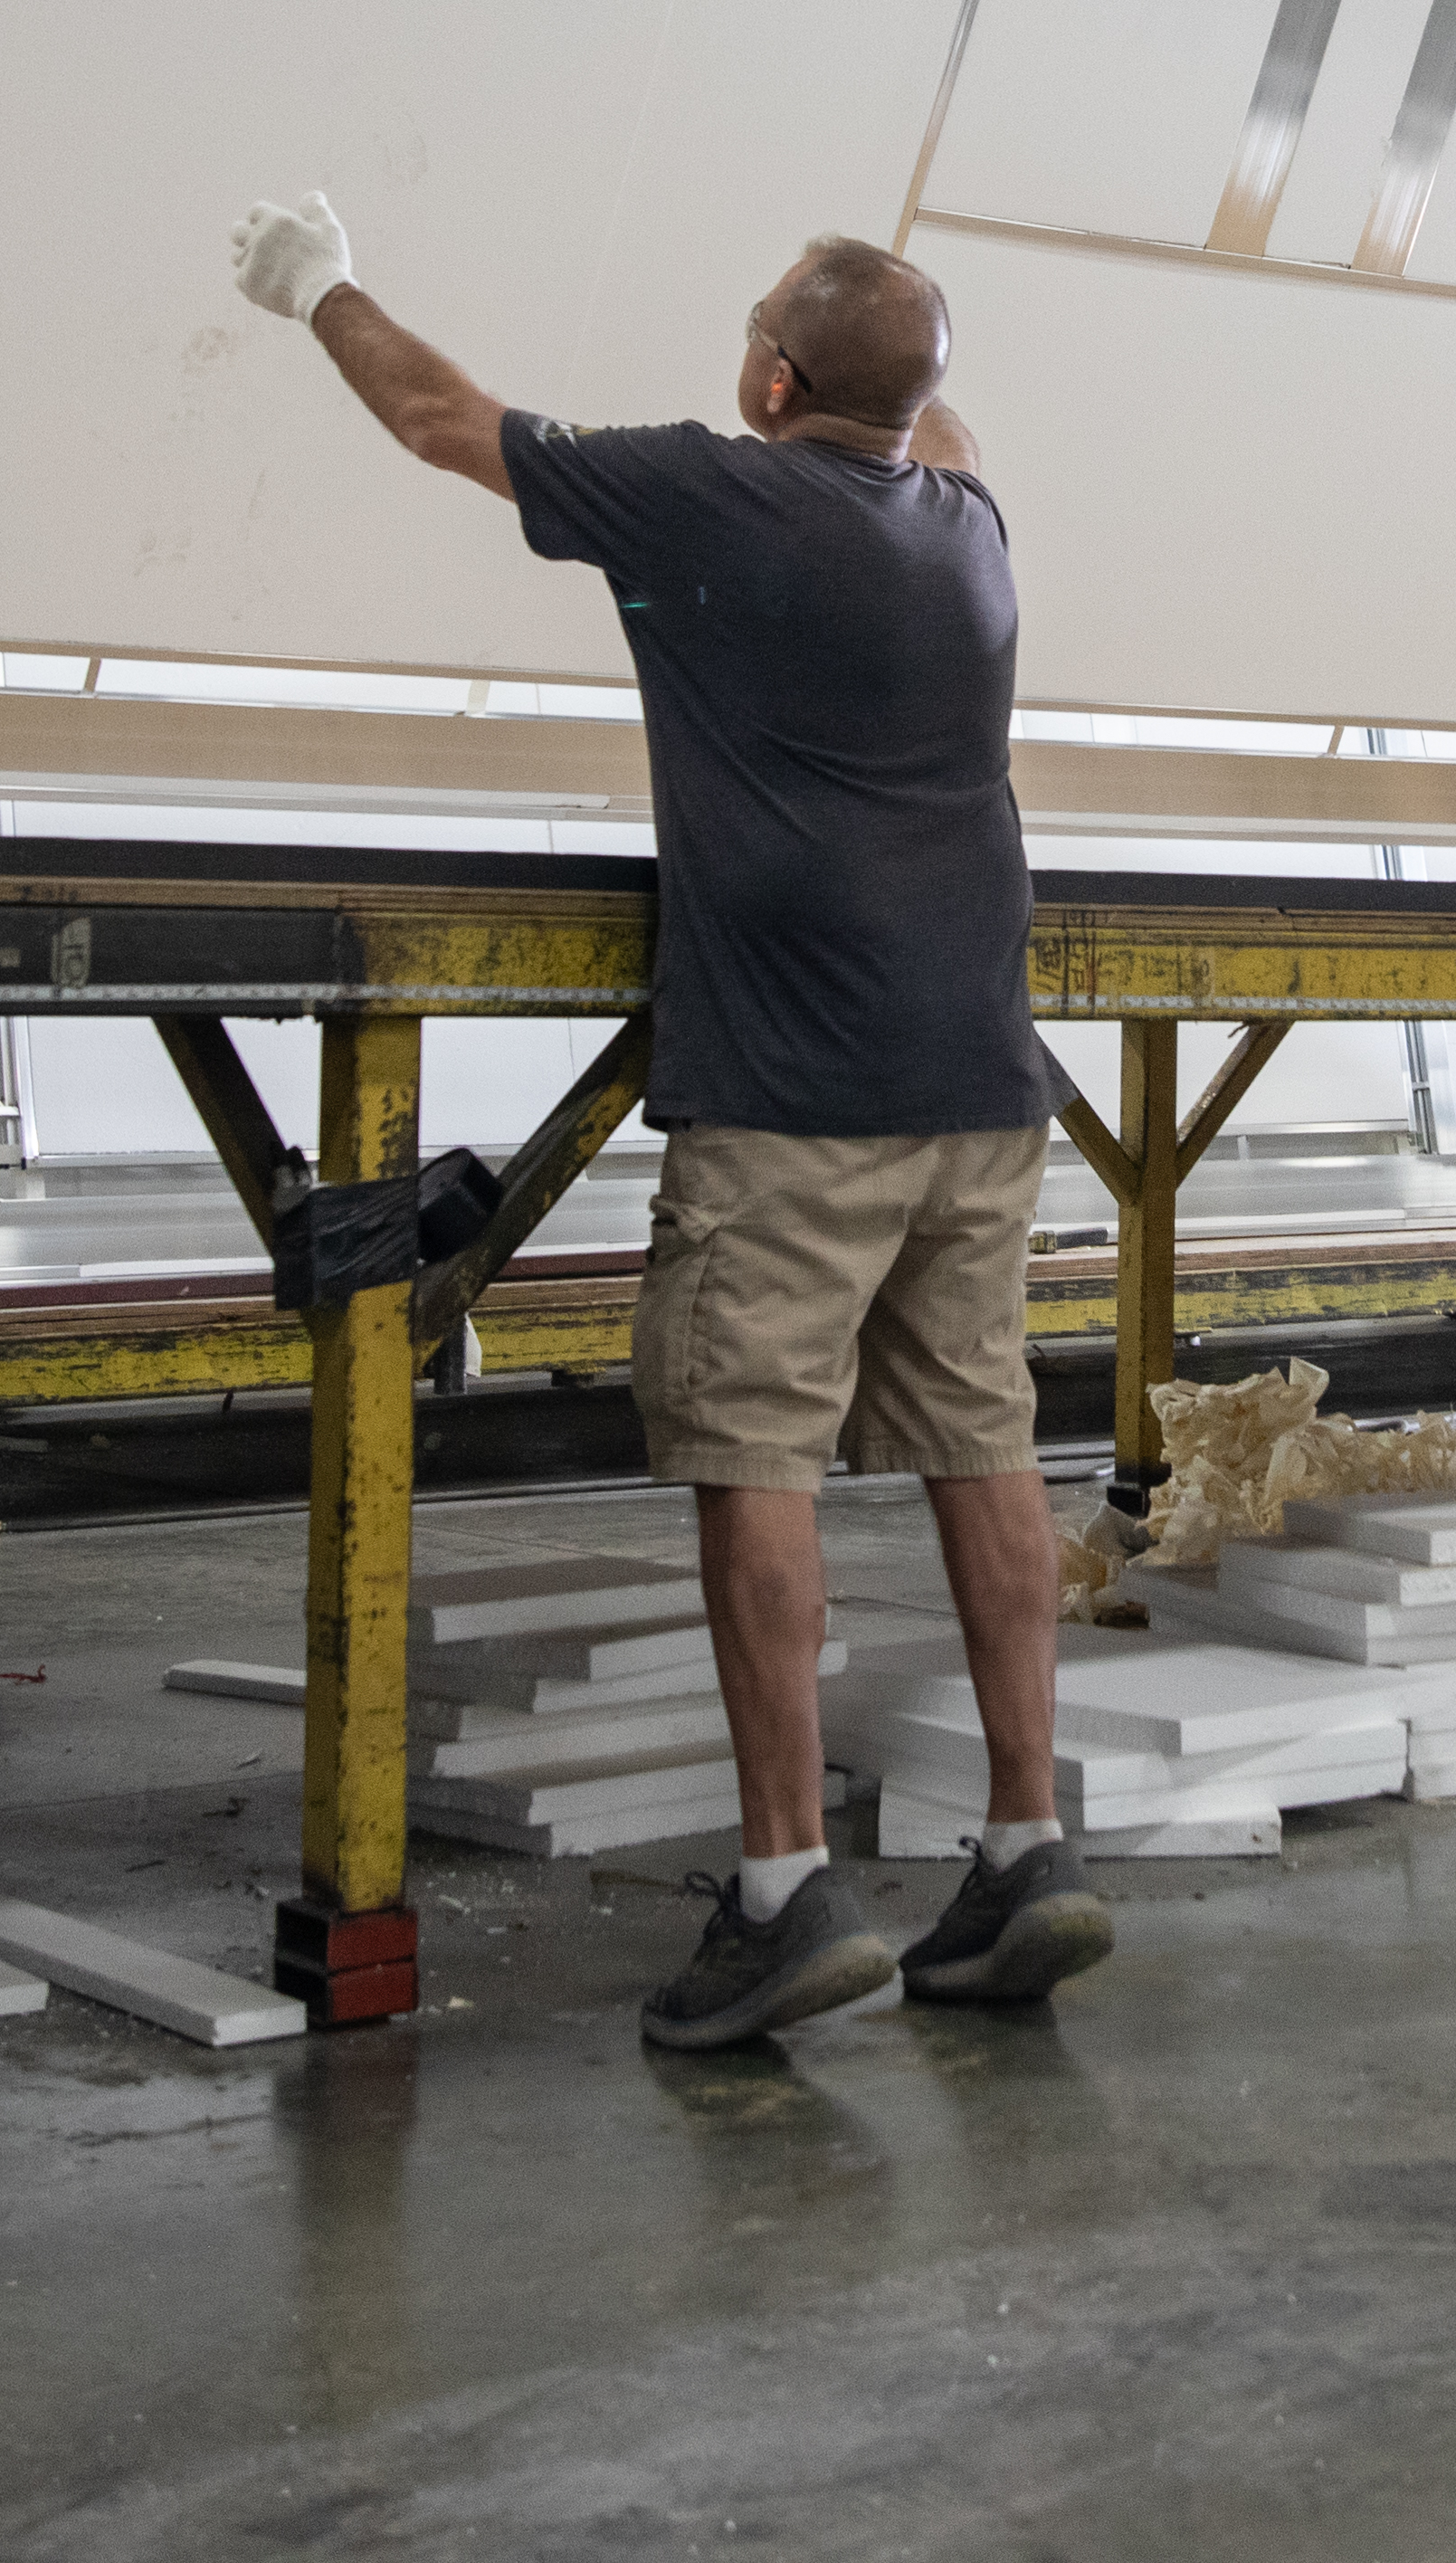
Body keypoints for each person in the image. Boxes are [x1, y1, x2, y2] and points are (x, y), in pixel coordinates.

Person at [229, 195, 1110, 2044]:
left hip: (796, 1092)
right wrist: (877, 331)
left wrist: (318, 285)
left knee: (755, 1457)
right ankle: (1029, 1845)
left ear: (767, 378)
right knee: (983, 1441)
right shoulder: (967, 525)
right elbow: (921, 403)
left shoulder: (715, 496)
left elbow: (436, 417)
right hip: (978, 1075)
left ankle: (787, 1890)